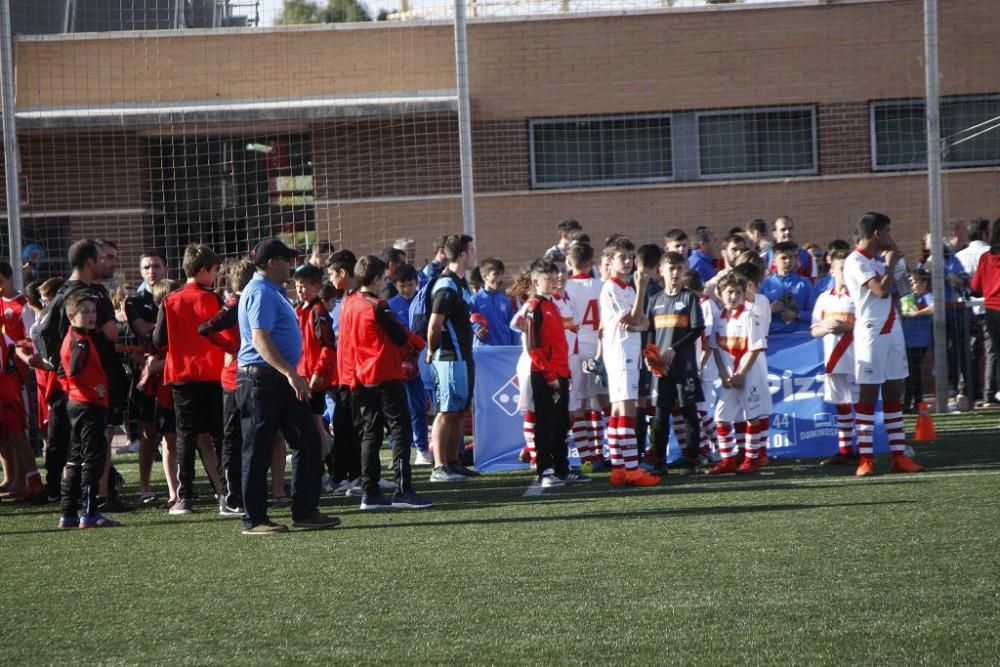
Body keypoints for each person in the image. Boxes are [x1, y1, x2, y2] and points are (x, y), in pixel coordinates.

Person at [237, 238, 341, 534]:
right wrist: (290, 374)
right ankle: (254, 519)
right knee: (257, 450)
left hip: (275, 379)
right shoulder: (260, 292)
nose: (291, 264)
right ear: (272, 263)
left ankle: (305, 511)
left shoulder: (271, 291)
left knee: (308, 440)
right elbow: (260, 338)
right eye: (286, 259)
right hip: (263, 379)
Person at [337, 255, 431, 509]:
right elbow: (400, 337)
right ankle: (403, 490)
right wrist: (418, 343)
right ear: (377, 278)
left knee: (371, 433)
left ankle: (370, 492)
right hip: (384, 375)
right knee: (401, 430)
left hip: (360, 377)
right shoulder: (377, 306)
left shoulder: (348, 303)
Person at [843, 212, 924, 476]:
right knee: (868, 396)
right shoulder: (856, 260)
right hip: (871, 334)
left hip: (894, 332)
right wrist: (890, 265)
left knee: (893, 393)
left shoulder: (880, 260)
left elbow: (904, 293)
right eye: (888, 232)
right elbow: (880, 291)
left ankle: (898, 456)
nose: (891, 237)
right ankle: (865, 459)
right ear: (877, 234)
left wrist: (900, 268)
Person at [153, 244, 225, 516]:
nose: (216, 276)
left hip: (182, 377)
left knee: (185, 436)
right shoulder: (213, 299)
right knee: (219, 435)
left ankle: (185, 498)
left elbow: (159, 339)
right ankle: (226, 494)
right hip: (211, 373)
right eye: (215, 270)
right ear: (204, 270)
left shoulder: (170, 300)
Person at [599, 237, 660, 486]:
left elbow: (643, 322)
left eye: (630, 257)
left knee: (617, 412)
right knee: (626, 410)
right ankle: (632, 470)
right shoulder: (612, 288)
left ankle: (618, 469)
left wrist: (639, 322)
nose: (627, 262)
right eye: (621, 257)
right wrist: (643, 289)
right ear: (610, 261)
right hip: (620, 353)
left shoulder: (627, 288)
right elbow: (636, 319)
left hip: (629, 352)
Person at [197, 259, 256, 516]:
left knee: (249, 437)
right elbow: (206, 328)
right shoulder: (236, 304)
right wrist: (229, 347)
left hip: (246, 376)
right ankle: (232, 496)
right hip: (236, 378)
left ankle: (245, 493)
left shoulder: (250, 300)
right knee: (235, 438)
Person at [523, 259, 589, 487]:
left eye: (554, 278)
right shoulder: (535, 308)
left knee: (561, 422)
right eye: (547, 279)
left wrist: (566, 373)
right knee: (545, 422)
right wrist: (549, 374)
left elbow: (560, 344)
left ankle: (562, 468)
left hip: (560, 372)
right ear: (535, 282)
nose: (553, 282)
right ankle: (545, 470)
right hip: (544, 374)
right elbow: (533, 347)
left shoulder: (553, 306)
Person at [58, 291, 120, 529]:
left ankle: (68, 513)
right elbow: (74, 369)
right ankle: (90, 513)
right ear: (72, 316)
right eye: (85, 312)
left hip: (76, 403)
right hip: (88, 404)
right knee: (92, 458)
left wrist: (74, 387)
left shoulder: (75, 336)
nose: (91, 316)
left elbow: (64, 373)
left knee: (75, 459)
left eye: (93, 311)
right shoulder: (80, 340)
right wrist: (92, 386)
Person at [645, 252, 705, 473]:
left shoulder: (689, 298)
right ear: (661, 271)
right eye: (671, 268)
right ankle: (659, 461)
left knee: (689, 412)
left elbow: (697, 329)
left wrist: (674, 349)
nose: (675, 273)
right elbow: (650, 332)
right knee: (660, 415)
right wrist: (649, 355)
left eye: (679, 269)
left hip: (684, 366)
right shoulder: (655, 300)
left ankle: (692, 460)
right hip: (661, 368)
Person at [426, 234, 479, 483]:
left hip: (463, 356)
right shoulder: (446, 285)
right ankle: (438, 466)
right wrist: (430, 349)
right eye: (471, 249)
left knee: (458, 411)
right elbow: (435, 324)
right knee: (446, 411)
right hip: (448, 357)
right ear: (462, 255)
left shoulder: (460, 283)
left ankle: (453, 462)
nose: (475, 252)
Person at [707, 272, 771, 475]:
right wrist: (723, 374)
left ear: (744, 294)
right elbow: (715, 348)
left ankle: (751, 459)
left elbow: (755, 348)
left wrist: (742, 373)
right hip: (729, 377)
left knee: (752, 416)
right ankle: (728, 460)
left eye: (737, 292)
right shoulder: (718, 318)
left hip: (748, 375)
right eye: (729, 292)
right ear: (720, 294)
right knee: (721, 418)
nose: (733, 296)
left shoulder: (750, 316)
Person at [123, 250, 168, 504]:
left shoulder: (174, 293)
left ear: (166, 268)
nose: (152, 271)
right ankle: (145, 487)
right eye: (147, 267)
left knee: (184, 434)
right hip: (148, 375)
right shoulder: (134, 301)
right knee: (149, 432)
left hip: (172, 370)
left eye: (156, 266)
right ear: (141, 272)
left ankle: (182, 487)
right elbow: (146, 332)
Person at [810, 249, 859, 465]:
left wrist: (846, 327)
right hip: (833, 359)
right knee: (841, 405)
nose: (845, 273)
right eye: (841, 269)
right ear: (832, 270)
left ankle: (861, 449)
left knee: (858, 405)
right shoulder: (824, 298)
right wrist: (827, 329)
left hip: (855, 358)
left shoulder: (857, 296)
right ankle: (845, 450)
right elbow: (814, 330)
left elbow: (868, 326)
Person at [563, 242, 606, 471]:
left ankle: (587, 458)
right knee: (598, 404)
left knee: (578, 406)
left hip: (576, 350)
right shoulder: (603, 285)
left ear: (569, 262)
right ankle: (601, 452)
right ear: (592, 262)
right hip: (599, 348)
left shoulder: (566, 287)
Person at [325, 249, 363, 495]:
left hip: (359, 376)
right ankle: (345, 476)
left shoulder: (360, 298)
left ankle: (361, 477)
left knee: (359, 427)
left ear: (342, 272)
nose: (329, 279)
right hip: (344, 375)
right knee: (342, 425)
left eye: (331, 273)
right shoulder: (346, 298)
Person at [387, 264, 432, 466]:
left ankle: (422, 448)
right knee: (396, 410)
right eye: (402, 285)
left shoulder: (424, 301)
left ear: (417, 282)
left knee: (419, 407)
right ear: (395, 286)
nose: (407, 289)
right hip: (397, 364)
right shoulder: (390, 306)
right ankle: (397, 449)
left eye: (410, 284)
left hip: (421, 361)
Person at [970, 218, 1000, 408]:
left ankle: (995, 393)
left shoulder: (986, 257)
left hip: (991, 311)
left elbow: (975, 287)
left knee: (997, 353)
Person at [760, 241, 815, 334]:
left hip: (800, 335)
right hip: (774, 336)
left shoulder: (804, 283)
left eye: (791, 257)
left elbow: (815, 314)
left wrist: (797, 315)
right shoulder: (765, 285)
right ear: (774, 261)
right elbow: (755, 316)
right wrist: (769, 310)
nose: (788, 261)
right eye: (783, 258)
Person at [900, 269, 933, 413]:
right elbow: (904, 311)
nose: (912, 285)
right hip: (906, 340)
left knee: (914, 370)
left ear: (924, 283)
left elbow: (934, 308)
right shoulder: (909, 297)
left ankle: (917, 401)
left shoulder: (928, 296)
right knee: (908, 371)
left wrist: (917, 313)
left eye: (915, 282)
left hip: (919, 341)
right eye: (910, 282)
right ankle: (909, 401)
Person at [470, 258, 519, 346]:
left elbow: (512, 327)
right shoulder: (474, 300)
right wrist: (476, 328)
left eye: (501, 274)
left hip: (504, 349)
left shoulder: (506, 301)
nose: (499, 278)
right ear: (485, 277)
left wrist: (515, 347)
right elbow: (465, 321)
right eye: (496, 274)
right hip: (483, 351)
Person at [762, 216, 816, 281]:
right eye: (783, 229)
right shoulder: (765, 258)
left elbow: (812, 285)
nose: (787, 232)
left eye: (790, 229)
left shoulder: (807, 257)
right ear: (775, 234)